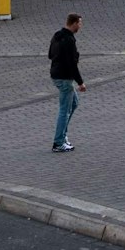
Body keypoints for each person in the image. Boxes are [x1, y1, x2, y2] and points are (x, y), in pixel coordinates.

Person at [47, 13, 84, 153]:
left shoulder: (57, 35)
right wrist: (80, 82)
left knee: (74, 104)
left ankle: (62, 136)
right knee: (64, 110)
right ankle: (59, 142)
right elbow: (72, 64)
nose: (80, 26)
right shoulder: (69, 40)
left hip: (56, 74)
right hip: (64, 78)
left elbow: (50, 55)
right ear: (73, 23)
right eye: (79, 23)